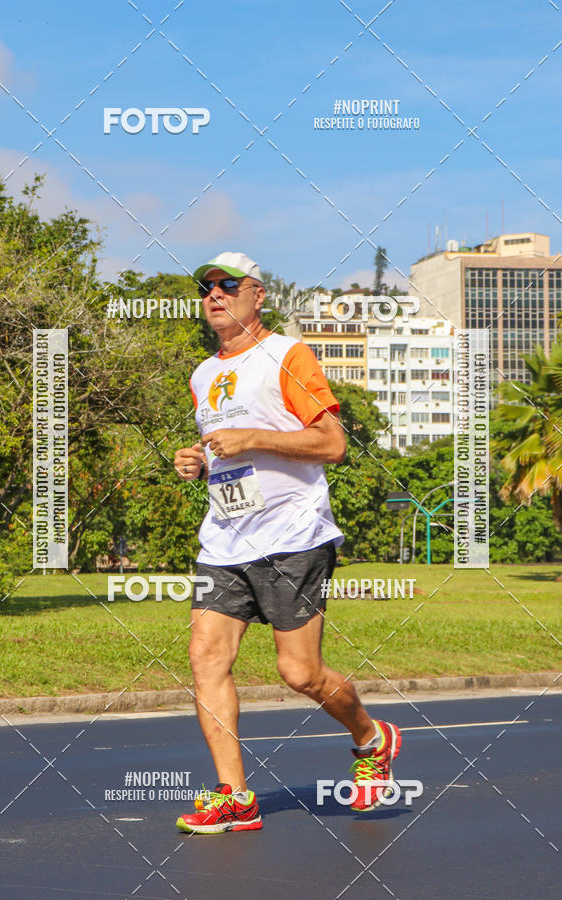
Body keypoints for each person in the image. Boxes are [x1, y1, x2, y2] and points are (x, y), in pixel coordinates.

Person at [173, 251, 401, 834]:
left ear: (258, 295)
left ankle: (371, 738)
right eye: (206, 287)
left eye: (228, 284)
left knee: (299, 673)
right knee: (206, 658)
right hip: (225, 537)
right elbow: (228, 449)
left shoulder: (288, 355)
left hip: (292, 535)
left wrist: (252, 437)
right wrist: (198, 460)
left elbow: (331, 444)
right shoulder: (202, 374)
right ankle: (235, 796)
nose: (214, 294)